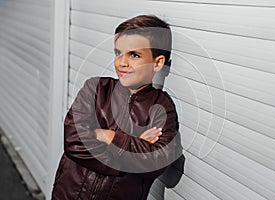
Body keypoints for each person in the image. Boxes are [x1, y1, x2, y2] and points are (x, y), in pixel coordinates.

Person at [52, 15, 181, 200]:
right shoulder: (96, 88)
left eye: (134, 55)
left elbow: (157, 161)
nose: (122, 62)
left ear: (157, 63)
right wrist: (134, 152)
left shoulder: (162, 107)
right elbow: (74, 141)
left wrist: (108, 136)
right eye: (118, 53)